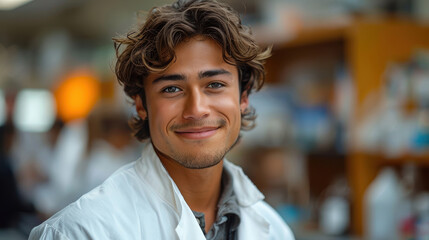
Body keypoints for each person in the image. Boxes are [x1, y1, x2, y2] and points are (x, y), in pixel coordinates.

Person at [29, 0, 295, 239]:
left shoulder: (275, 230)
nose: (197, 109)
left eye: (214, 84)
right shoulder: (81, 231)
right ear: (141, 104)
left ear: (243, 97)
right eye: (171, 89)